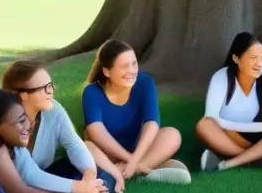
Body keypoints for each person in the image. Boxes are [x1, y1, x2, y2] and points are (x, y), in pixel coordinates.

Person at [1, 60, 123, 193]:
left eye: (50, 85)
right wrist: (78, 188)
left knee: (99, 176)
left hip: (47, 176)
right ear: (22, 94)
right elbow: (29, 175)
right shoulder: (9, 122)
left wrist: (89, 176)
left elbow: (73, 144)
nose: (51, 91)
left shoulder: (53, 110)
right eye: (43, 88)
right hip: (20, 191)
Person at [82, 40, 191, 184]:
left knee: (172, 135)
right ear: (107, 71)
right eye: (124, 66)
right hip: (105, 153)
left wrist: (135, 158)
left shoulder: (145, 83)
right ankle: (145, 171)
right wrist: (131, 160)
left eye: (134, 64)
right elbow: (96, 132)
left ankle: (122, 172)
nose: (132, 71)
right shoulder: (91, 92)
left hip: (138, 150)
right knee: (86, 148)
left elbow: (152, 123)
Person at [195, 32, 262, 172]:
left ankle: (232, 161)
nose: (259, 64)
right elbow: (212, 117)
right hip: (229, 134)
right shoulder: (221, 76)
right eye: (253, 58)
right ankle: (260, 158)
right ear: (236, 59)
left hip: (260, 136)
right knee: (204, 125)